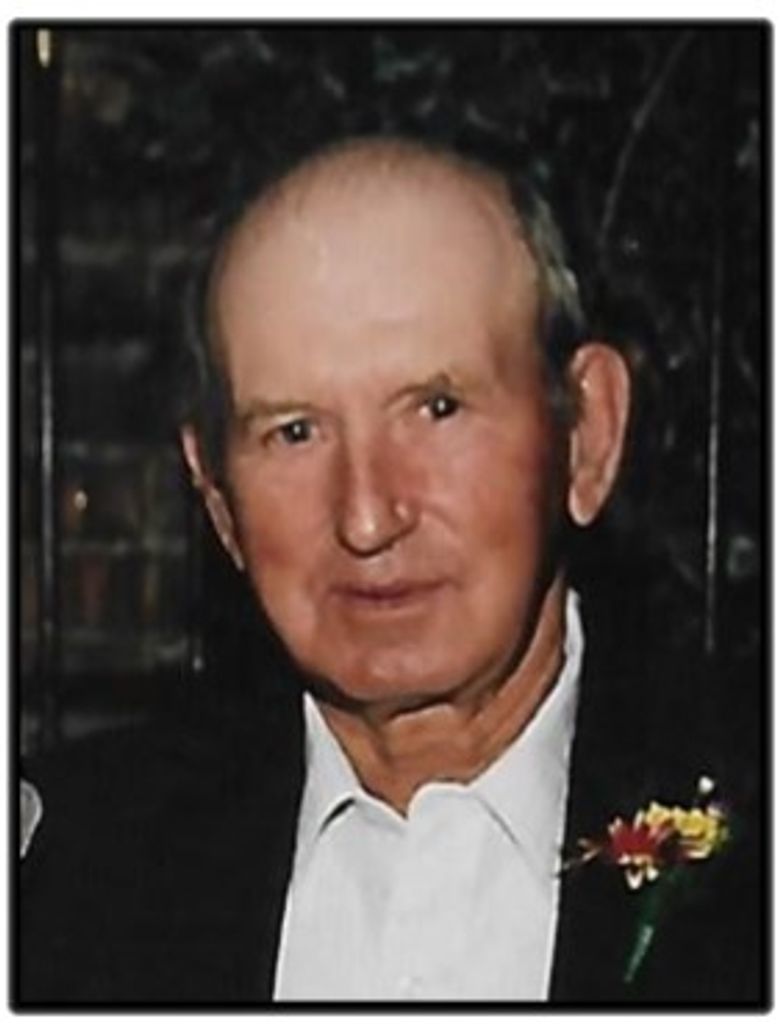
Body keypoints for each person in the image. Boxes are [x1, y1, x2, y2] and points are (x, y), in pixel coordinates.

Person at [18, 136, 762, 1006]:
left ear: (585, 436)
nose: (368, 517)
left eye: (437, 408)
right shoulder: (62, 876)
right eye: (294, 432)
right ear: (216, 494)